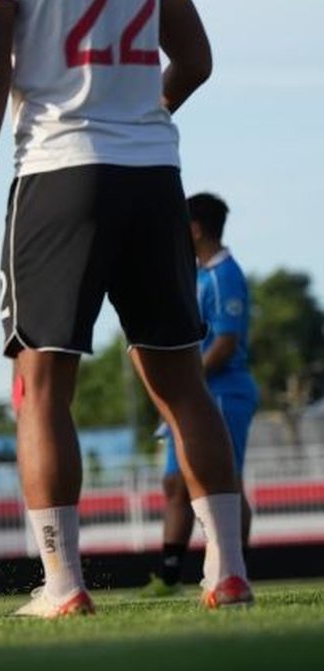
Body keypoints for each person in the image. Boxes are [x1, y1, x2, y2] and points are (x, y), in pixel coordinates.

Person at [0, 0, 252, 616]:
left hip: (59, 170)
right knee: (183, 382)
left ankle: (62, 583)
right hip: (155, 175)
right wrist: (144, 117)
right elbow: (195, 60)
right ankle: (229, 571)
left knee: (41, 385)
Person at [142, 193, 257, 597]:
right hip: (193, 394)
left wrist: (185, 376)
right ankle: (168, 576)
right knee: (175, 482)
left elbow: (225, 343)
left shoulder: (227, 275)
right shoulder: (196, 272)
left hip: (224, 391)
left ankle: (232, 568)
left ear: (194, 229)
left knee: (226, 480)